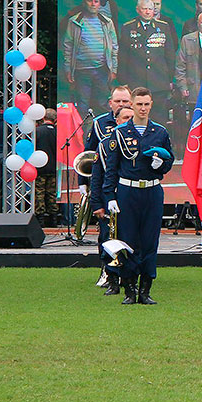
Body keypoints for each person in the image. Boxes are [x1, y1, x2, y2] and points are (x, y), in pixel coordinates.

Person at [102, 87, 174, 305]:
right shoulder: (120, 133)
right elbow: (111, 168)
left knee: (150, 241)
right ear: (131, 105)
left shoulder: (160, 132)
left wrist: (161, 165)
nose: (143, 108)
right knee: (128, 241)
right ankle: (130, 289)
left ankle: (145, 289)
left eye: (146, 104)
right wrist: (110, 196)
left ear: (151, 105)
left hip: (152, 191)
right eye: (139, 104)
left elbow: (169, 161)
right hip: (128, 191)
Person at [82, 86, 132, 289]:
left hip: (127, 188)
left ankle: (127, 273)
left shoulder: (138, 126)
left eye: (125, 101)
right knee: (106, 232)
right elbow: (88, 155)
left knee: (127, 233)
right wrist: (83, 183)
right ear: (110, 102)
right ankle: (106, 271)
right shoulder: (99, 123)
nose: (121, 104)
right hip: (104, 186)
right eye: (118, 101)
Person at [93, 106, 135, 296]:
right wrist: (97, 204)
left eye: (132, 117)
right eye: (125, 118)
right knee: (108, 240)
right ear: (116, 121)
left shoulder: (139, 142)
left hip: (131, 198)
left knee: (130, 240)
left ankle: (129, 279)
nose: (129, 121)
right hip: (109, 199)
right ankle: (111, 280)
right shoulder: (104, 144)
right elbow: (97, 177)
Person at [117, 0, 176, 124]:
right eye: (144, 9)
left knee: (159, 118)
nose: (148, 12)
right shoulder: (128, 27)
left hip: (158, 81)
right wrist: (123, 81)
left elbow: (170, 55)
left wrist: (169, 79)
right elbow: (123, 56)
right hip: (136, 80)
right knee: (137, 116)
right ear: (138, 10)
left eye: (150, 9)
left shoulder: (163, 27)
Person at [63, 0, 119, 117]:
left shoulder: (107, 22)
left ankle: (106, 127)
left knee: (104, 103)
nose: (93, 4)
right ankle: (83, 129)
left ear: (99, 4)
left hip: (102, 69)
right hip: (81, 70)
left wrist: (113, 68)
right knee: (82, 104)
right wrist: (68, 69)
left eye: (96, 1)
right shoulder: (74, 21)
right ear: (84, 3)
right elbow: (68, 46)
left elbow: (114, 46)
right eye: (90, 1)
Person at [33, 109, 59, 226]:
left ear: (43, 117)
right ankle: (54, 219)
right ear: (55, 120)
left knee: (39, 193)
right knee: (52, 194)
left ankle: (40, 220)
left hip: (40, 168)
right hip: (54, 168)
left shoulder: (37, 131)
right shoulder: (58, 132)